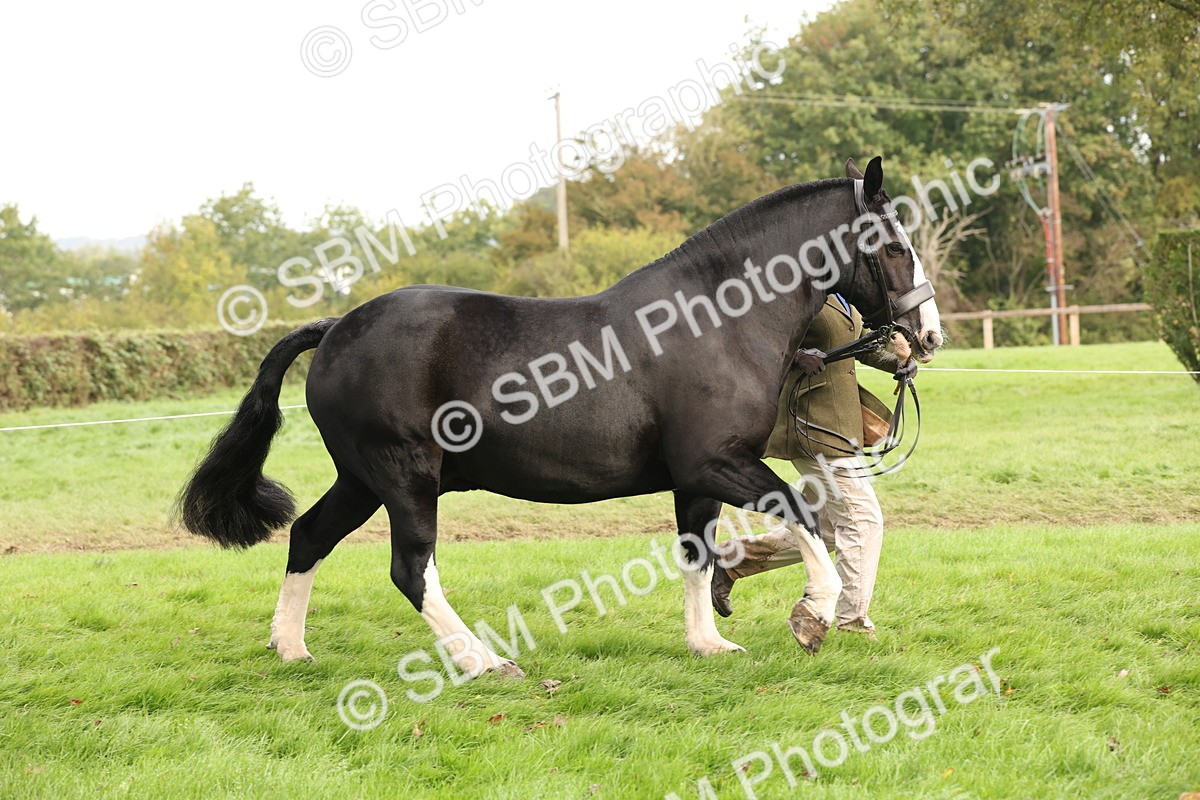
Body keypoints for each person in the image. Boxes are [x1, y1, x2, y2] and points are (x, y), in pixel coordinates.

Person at [710, 293, 916, 640]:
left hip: (840, 423)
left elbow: (859, 344)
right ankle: (853, 623)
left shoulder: (843, 296)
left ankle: (733, 560)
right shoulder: (790, 291)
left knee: (830, 528)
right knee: (862, 519)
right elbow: (749, 339)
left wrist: (897, 361)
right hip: (809, 422)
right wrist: (796, 356)